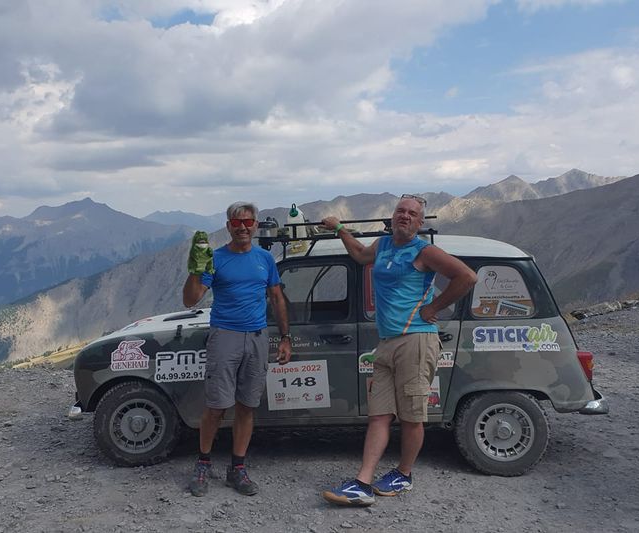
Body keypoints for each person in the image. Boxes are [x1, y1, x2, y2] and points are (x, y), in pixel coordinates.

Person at [319, 195, 477, 506]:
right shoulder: (383, 245)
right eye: (400, 211)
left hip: (417, 341)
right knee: (378, 415)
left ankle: (403, 475)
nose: (404, 216)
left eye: (412, 214)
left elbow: (467, 277)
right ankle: (362, 483)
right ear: (392, 216)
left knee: (411, 417)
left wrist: (434, 307)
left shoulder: (424, 251)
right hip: (388, 342)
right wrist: (340, 228)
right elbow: (362, 256)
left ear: (420, 222)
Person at [182, 201, 292, 497]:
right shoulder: (215, 259)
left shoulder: (265, 259)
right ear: (228, 226)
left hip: (256, 337)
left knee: (247, 405)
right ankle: (203, 463)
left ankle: (237, 468)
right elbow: (190, 300)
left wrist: (285, 337)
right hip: (225, 336)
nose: (242, 228)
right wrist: (196, 269)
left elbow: (277, 298)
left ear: (255, 225)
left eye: (248, 222)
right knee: (216, 406)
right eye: (236, 223)